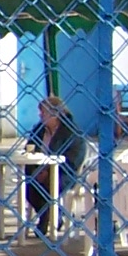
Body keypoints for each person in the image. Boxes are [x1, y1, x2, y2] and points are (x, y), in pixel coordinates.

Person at [23, 94, 87, 234]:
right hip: (39, 170)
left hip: (64, 172)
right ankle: (52, 216)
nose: (40, 115)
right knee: (29, 187)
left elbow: (73, 159)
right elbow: (29, 149)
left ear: (56, 114)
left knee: (50, 185)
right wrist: (37, 170)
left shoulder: (71, 131)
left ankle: (47, 219)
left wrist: (49, 171)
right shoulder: (39, 130)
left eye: (44, 112)